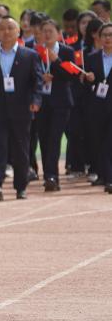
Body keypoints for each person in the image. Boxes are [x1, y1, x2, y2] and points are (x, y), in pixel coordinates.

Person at [0, 17, 44, 201]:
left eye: (10, 28)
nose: (6, 32)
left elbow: (37, 82)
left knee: (21, 150)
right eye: (2, 29)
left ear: (18, 32)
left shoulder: (29, 55)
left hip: (22, 110)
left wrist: (36, 100)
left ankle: (21, 187)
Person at [33, 16, 78, 191]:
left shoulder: (67, 51)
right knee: (44, 139)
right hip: (42, 102)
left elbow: (71, 76)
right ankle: (48, 176)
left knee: (54, 138)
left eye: (50, 31)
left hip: (61, 102)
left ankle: (52, 176)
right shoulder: (34, 52)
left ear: (59, 33)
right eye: (44, 31)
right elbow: (30, 76)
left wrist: (56, 61)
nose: (47, 34)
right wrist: (41, 77)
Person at [81, 22, 112, 193]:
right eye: (105, 35)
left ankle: (109, 178)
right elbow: (85, 84)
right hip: (98, 106)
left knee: (109, 142)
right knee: (99, 142)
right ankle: (103, 175)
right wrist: (89, 79)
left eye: (111, 35)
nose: (108, 38)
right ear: (99, 38)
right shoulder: (92, 58)